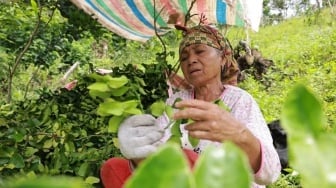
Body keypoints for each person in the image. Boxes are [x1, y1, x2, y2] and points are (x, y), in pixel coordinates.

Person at [100, 24, 281, 188]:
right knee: (114, 168)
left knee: (187, 159)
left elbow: (270, 173)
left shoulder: (240, 101)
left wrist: (240, 136)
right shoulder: (177, 102)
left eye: (200, 51)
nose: (191, 60)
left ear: (223, 58)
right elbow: (158, 155)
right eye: (184, 57)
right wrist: (138, 151)